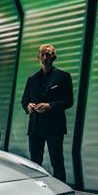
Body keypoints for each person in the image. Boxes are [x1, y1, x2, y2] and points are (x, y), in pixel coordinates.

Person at [20, 44, 74, 182]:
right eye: (42, 54)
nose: (45, 57)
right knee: (34, 163)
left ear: (54, 57)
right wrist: (29, 106)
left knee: (57, 162)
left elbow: (68, 101)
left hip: (54, 127)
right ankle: (35, 192)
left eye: (48, 54)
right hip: (35, 126)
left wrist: (50, 106)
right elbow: (24, 100)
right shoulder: (32, 79)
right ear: (38, 57)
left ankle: (60, 192)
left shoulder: (63, 77)